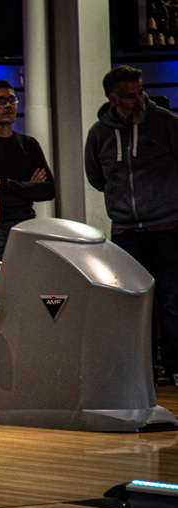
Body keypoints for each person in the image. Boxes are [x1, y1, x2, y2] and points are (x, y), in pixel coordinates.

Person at [85, 65, 178, 386]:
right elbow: (97, 178)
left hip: (168, 228)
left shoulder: (165, 123)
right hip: (126, 233)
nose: (139, 100)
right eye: (130, 95)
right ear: (113, 99)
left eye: (140, 92)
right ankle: (142, 370)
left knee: (172, 298)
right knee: (134, 302)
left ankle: (174, 366)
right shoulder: (99, 134)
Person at [0, 80, 55, 258]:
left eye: (12, 100)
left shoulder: (28, 145)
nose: (8, 105)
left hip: (27, 224)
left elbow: (48, 190)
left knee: (28, 281)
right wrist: (27, 188)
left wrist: (3, 184)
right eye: (1, 101)